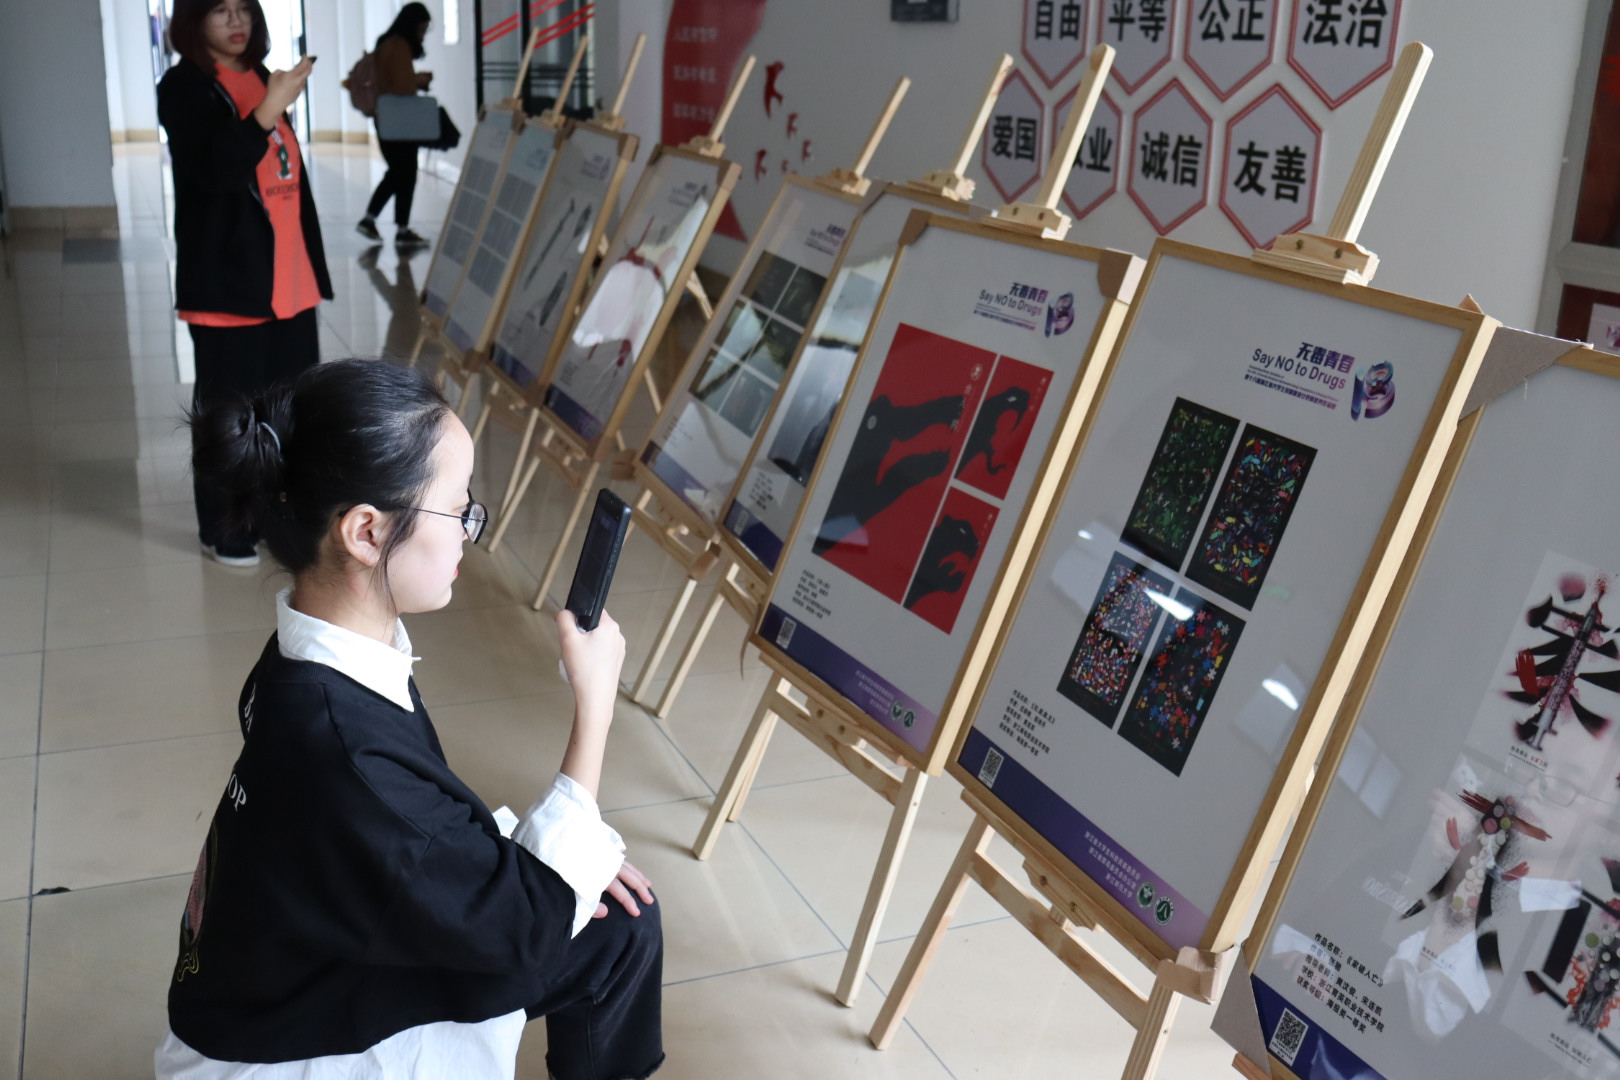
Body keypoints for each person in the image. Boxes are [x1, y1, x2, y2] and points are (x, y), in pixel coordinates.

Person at [155, 360, 664, 1080]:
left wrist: (566, 863)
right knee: (611, 921)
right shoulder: (345, 750)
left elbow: (407, 836)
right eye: (458, 511)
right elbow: (527, 929)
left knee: (615, 919)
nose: (470, 532)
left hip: (286, 969)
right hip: (278, 1043)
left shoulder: (308, 657)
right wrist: (597, 704)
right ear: (366, 531)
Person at [159, 0, 332, 568]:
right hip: (229, 283)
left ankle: (274, 518)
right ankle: (224, 527)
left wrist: (270, 101)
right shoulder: (184, 88)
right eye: (219, 11)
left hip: (290, 279)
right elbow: (212, 175)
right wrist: (265, 113)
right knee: (230, 418)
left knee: (287, 414)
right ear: (194, 20)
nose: (236, 22)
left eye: (243, 9)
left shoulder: (262, 77)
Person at [357, 3, 435, 249]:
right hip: (399, 123)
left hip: (386, 119)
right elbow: (402, 86)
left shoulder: (386, 42)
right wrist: (420, 80)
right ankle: (387, 225)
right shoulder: (399, 46)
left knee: (400, 172)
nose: (422, 34)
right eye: (422, 29)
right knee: (403, 172)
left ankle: (384, 223)